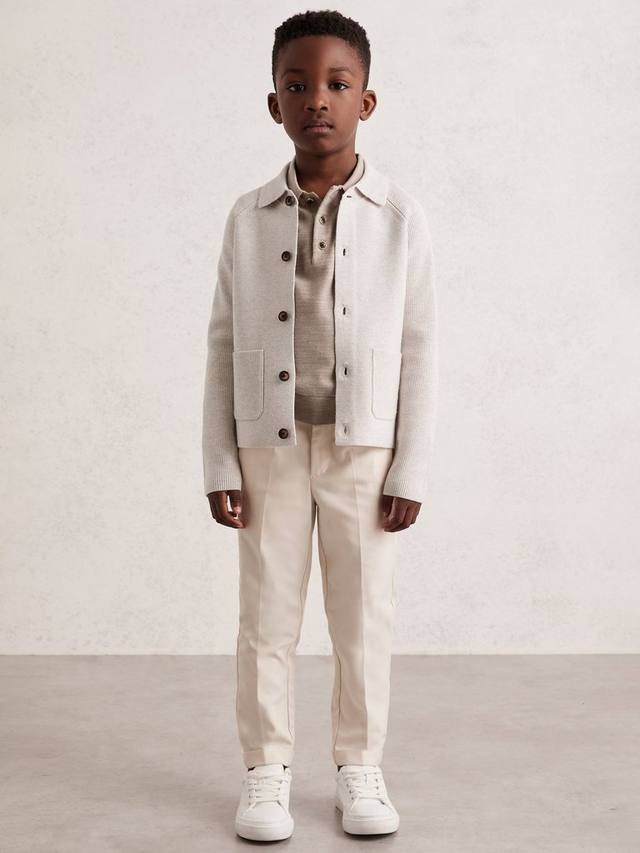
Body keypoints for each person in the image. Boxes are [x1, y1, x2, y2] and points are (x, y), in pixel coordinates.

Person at [202, 9, 438, 842]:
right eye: (297, 85)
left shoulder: (398, 216)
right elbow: (223, 340)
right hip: (267, 449)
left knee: (362, 617)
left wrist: (410, 466)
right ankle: (265, 770)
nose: (317, 101)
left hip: (362, 452)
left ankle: (358, 766)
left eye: (337, 84)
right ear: (275, 103)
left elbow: (419, 344)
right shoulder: (248, 215)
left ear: (366, 101)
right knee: (266, 616)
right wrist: (218, 461)